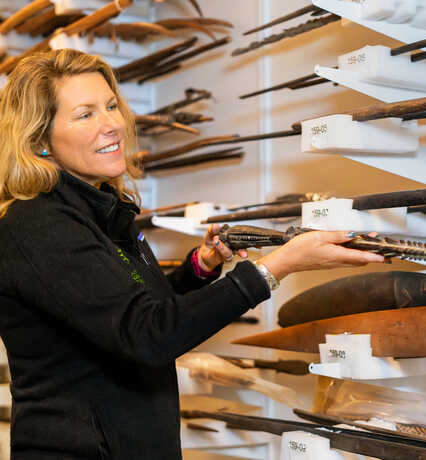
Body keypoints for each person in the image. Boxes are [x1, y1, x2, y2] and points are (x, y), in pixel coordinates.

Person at [0, 48, 384, 460]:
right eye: (85, 114)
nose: (112, 124)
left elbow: (134, 311)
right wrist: (277, 267)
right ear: (40, 139)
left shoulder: (98, 210)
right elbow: (148, 334)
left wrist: (200, 268)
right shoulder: (39, 226)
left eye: (111, 106)